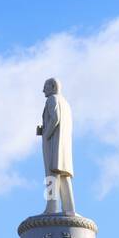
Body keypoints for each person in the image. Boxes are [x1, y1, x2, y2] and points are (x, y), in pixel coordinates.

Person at [37, 77, 75, 214]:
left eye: (45, 87)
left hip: (53, 145)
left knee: (51, 176)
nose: (43, 90)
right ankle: (69, 208)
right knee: (64, 177)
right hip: (63, 147)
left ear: (53, 87)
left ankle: (51, 207)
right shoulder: (65, 103)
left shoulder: (52, 99)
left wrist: (46, 135)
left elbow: (55, 118)